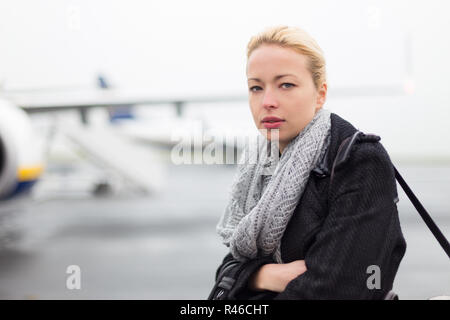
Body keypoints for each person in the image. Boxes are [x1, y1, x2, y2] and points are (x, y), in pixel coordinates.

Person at [211, 25, 407, 300]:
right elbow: (226, 270)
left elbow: (337, 289)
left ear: (320, 94)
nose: (267, 101)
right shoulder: (257, 166)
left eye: (286, 85)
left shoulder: (358, 161)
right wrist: (265, 275)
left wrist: (247, 278)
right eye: (256, 87)